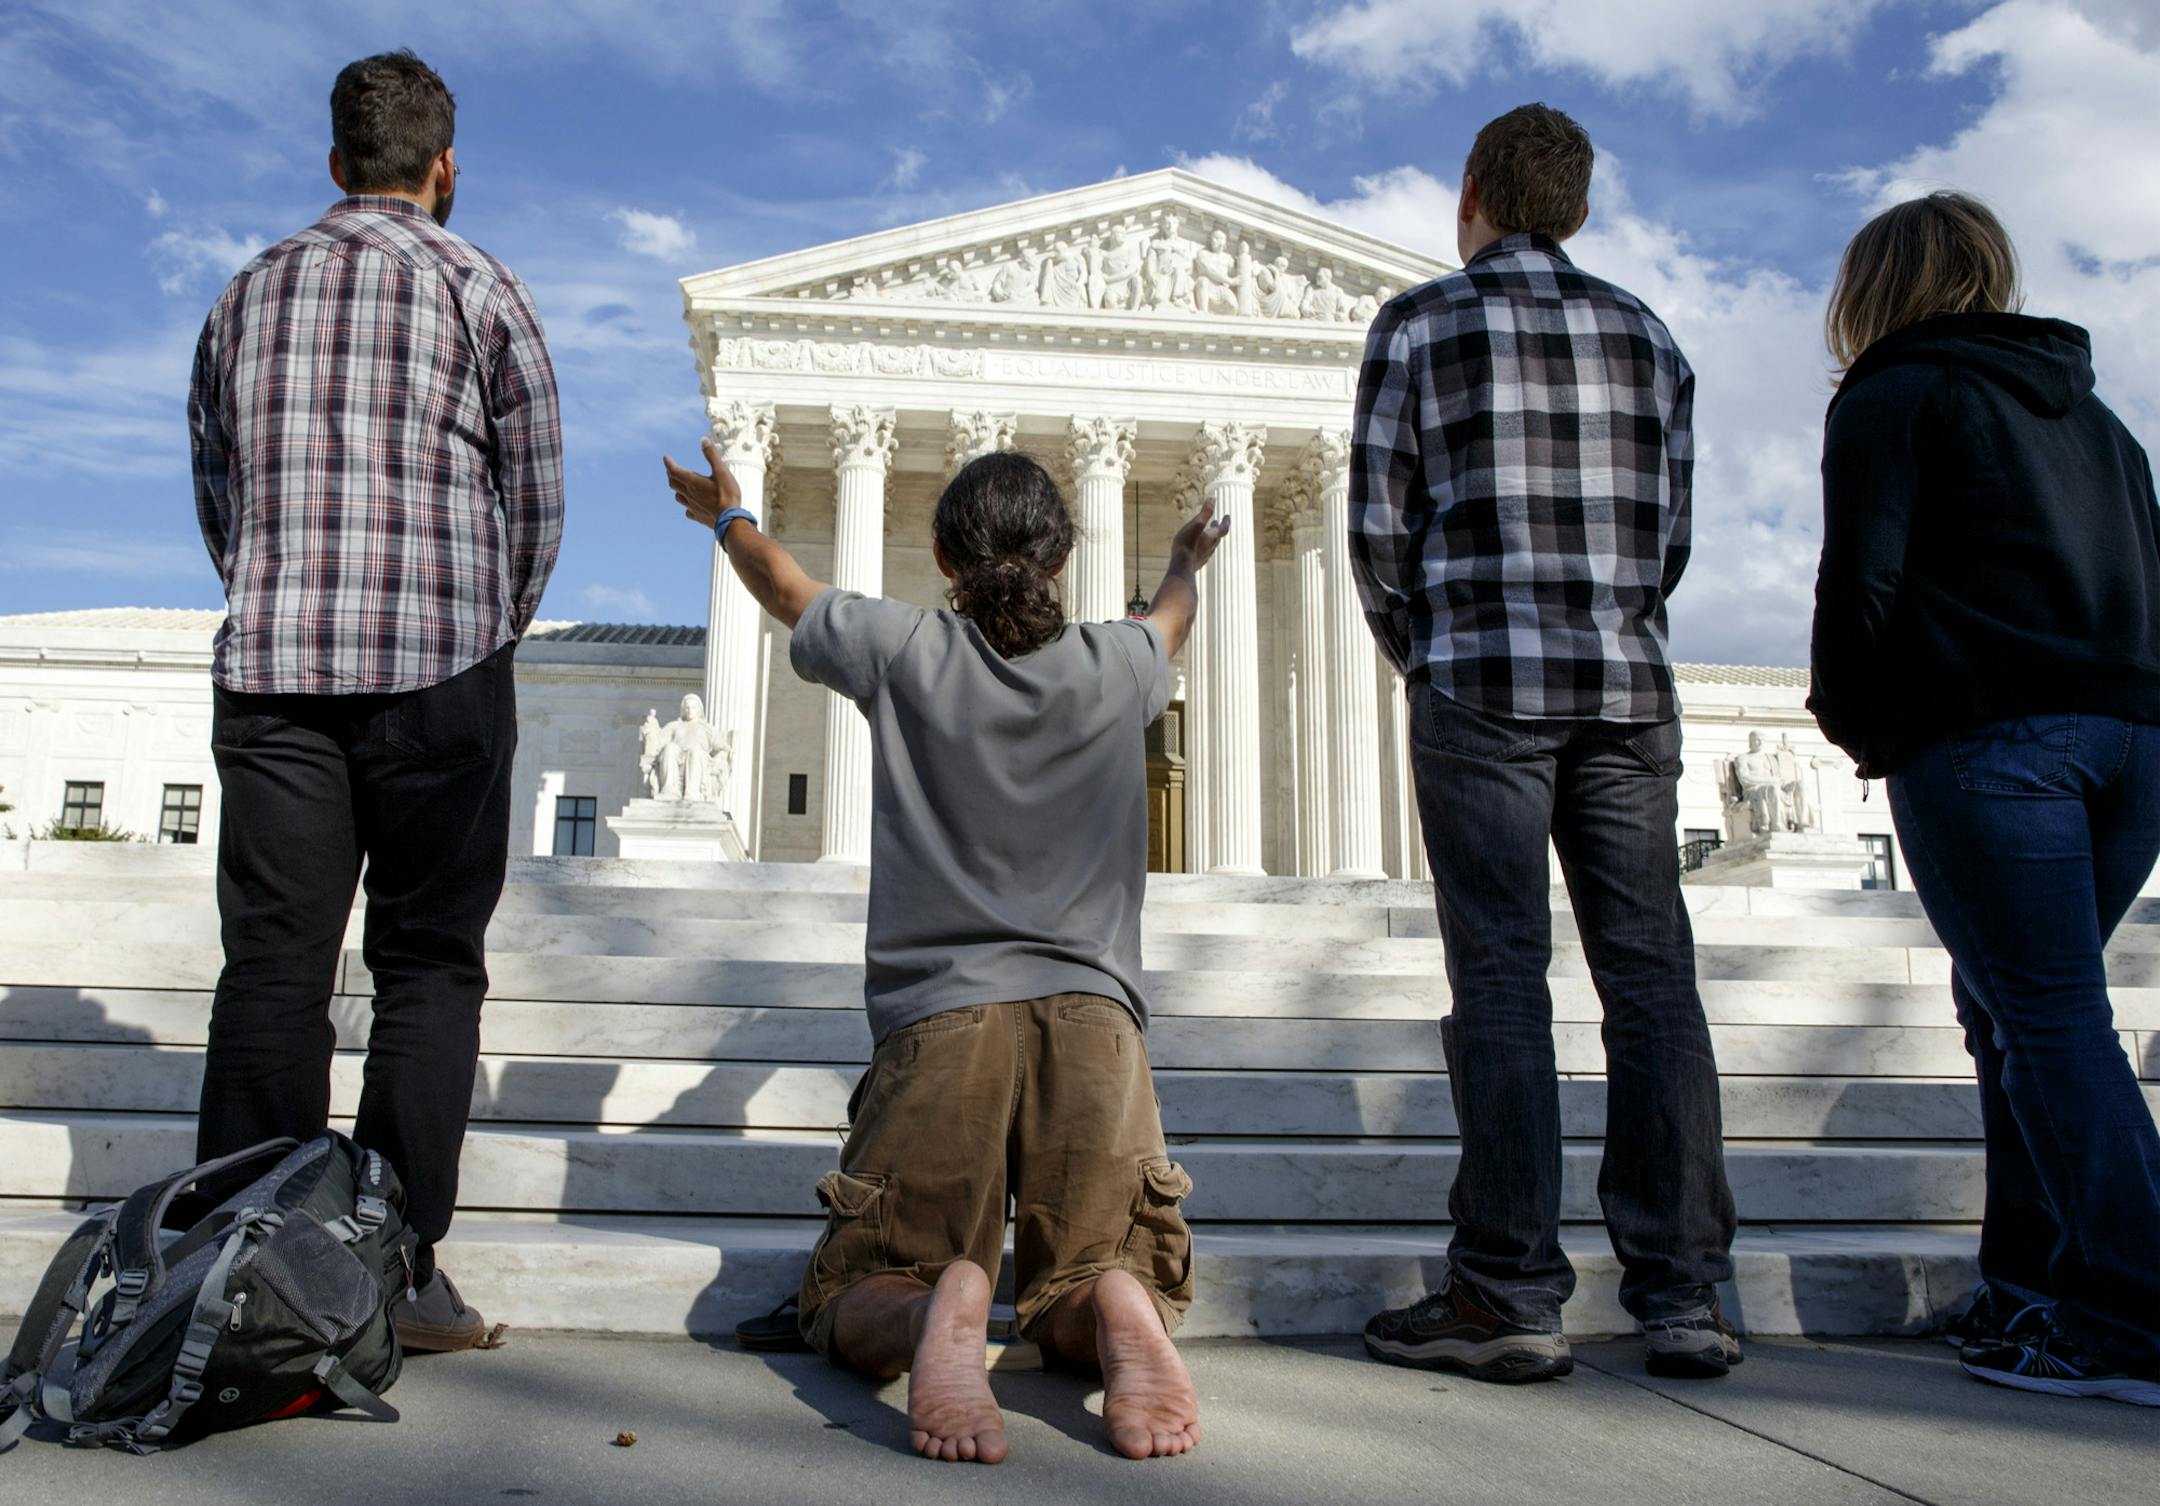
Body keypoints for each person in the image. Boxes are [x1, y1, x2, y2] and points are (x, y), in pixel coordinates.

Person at [663, 440, 1226, 1463]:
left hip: (943, 1020)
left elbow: (782, 586)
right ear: (1061, 560)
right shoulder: (1124, 664)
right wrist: (1188, 554)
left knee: (857, 1288)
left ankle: (937, 1311)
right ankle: (1111, 1301)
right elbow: (1175, 611)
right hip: (1095, 1027)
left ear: (940, 555)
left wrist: (727, 516)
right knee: (1106, 1266)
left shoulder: (903, 647)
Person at [1350, 102, 1738, 1383]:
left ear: (1472, 191)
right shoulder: (1650, 333)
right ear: (1578, 206)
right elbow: (1671, 537)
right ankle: (1684, 1295)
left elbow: (1377, 529)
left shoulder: (1420, 322)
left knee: (1506, 979)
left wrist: (1432, 649)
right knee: (1652, 982)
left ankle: (1510, 1290)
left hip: (1481, 682)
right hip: (1626, 689)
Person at [186, 50, 562, 1353]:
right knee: (428, 967)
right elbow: (537, 489)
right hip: (440, 670)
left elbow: (216, 481)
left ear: (336, 165)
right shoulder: (478, 283)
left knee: (275, 965)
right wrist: (485, 629)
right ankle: (393, 1268)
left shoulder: (249, 290)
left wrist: (281, 591)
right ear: (442, 168)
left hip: (279, 668)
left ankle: (241, 1267)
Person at [1809, 191, 2160, 1407]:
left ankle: (2131, 1307)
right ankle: (2031, 1289)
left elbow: (1860, 585)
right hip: (2130, 744)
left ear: (1870, 288)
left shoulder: (1893, 394)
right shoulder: (2105, 423)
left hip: (1989, 740)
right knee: (2013, 1012)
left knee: (2048, 1017)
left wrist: (1857, 721)